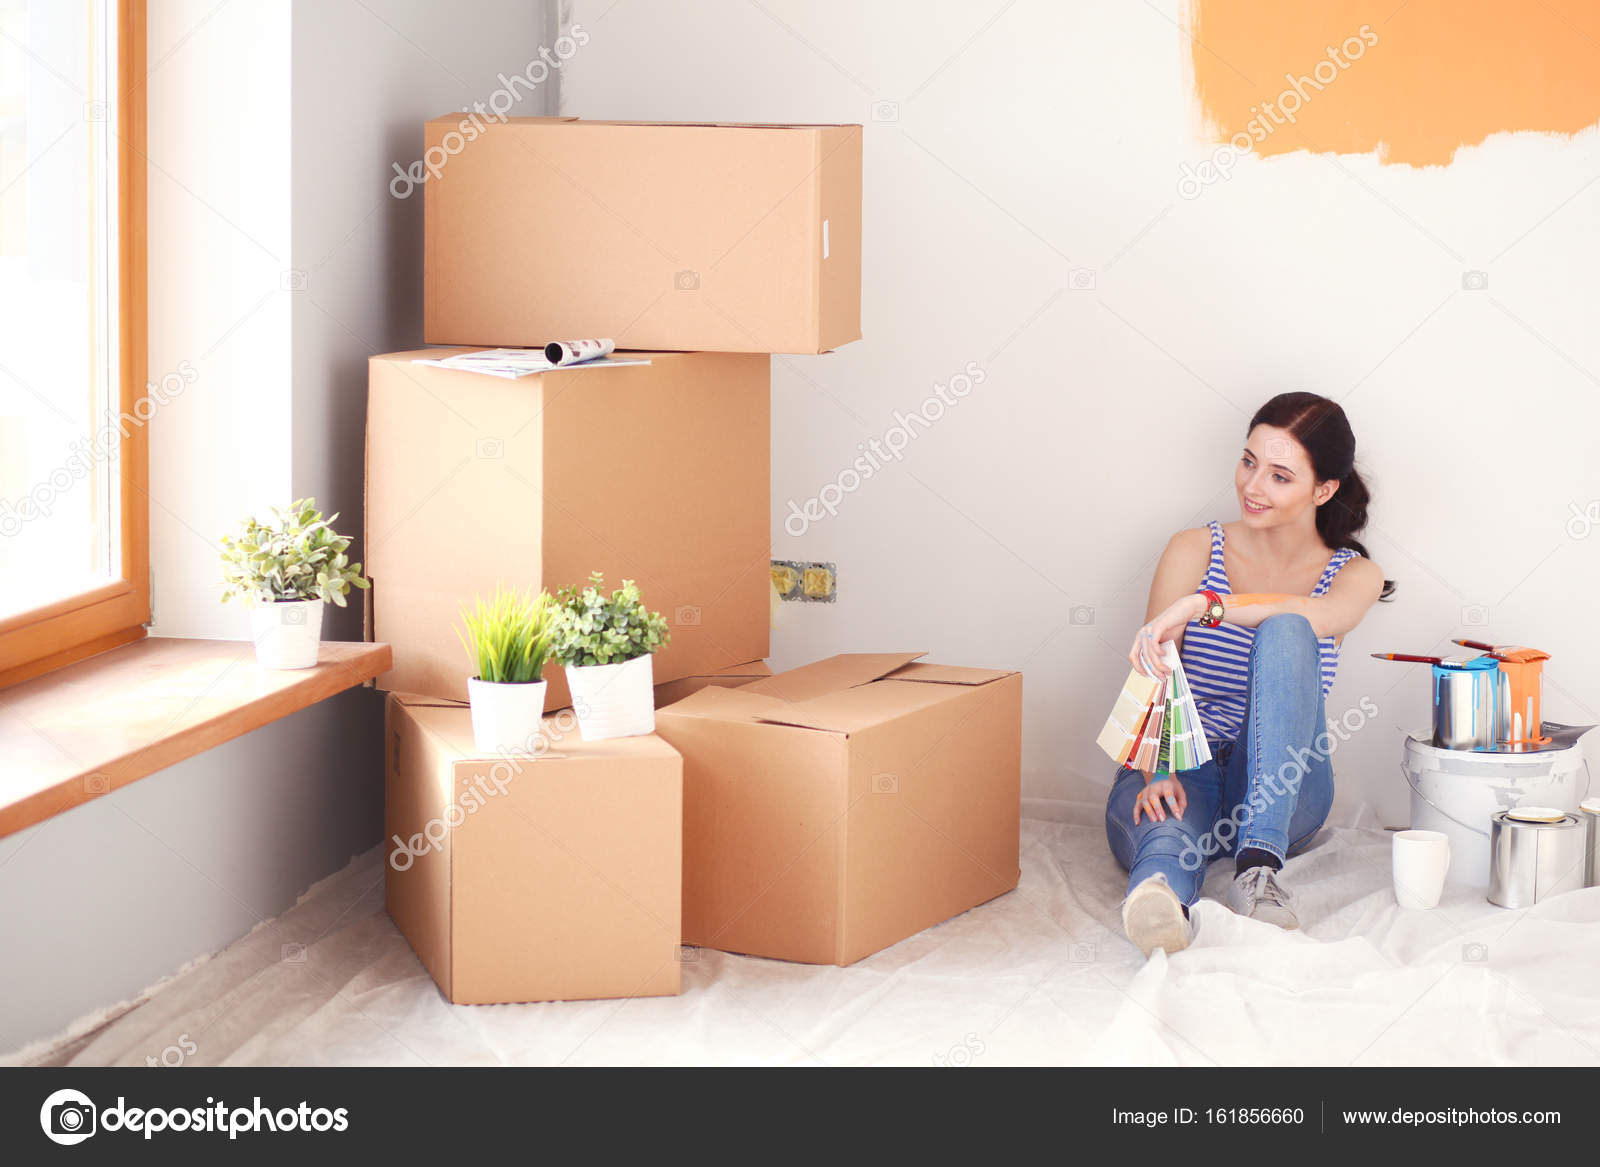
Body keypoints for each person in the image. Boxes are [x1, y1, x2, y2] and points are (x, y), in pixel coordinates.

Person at [1104, 392, 1394, 956]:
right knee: (1166, 830)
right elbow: (1152, 671)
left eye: (1280, 476)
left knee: (1287, 629)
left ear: (1324, 489)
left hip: (1286, 785)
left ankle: (1258, 867)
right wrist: (1154, 768)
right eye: (1248, 462)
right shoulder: (1193, 548)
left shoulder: (1353, 574)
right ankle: (1157, 899)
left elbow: (1320, 617)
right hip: (1190, 755)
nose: (1253, 487)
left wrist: (1202, 605)